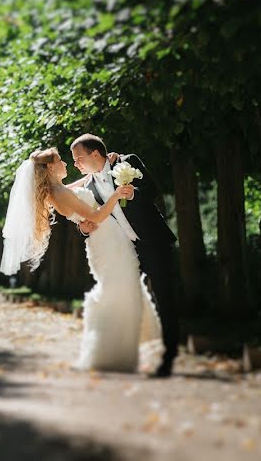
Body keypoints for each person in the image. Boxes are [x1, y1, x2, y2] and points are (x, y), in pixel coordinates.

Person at [0, 147, 163, 372]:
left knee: (124, 287)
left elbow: (84, 186)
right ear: (50, 167)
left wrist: (104, 166)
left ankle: (130, 343)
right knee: (119, 289)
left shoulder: (57, 189)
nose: (66, 164)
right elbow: (95, 216)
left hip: (104, 240)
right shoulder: (58, 193)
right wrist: (116, 195)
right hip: (108, 243)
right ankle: (111, 353)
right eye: (60, 161)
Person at [70, 133, 179, 377]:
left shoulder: (127, 162)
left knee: (165, 298)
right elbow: (94, 219)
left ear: (95, 154)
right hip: (125, 251)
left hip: (154, 243)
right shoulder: (88, 187)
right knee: (123, 298)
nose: (75, 164)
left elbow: (151, 189)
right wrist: (83, 229)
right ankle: (125, 354)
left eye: (78, 158)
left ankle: (169, 358)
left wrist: (133, 194)